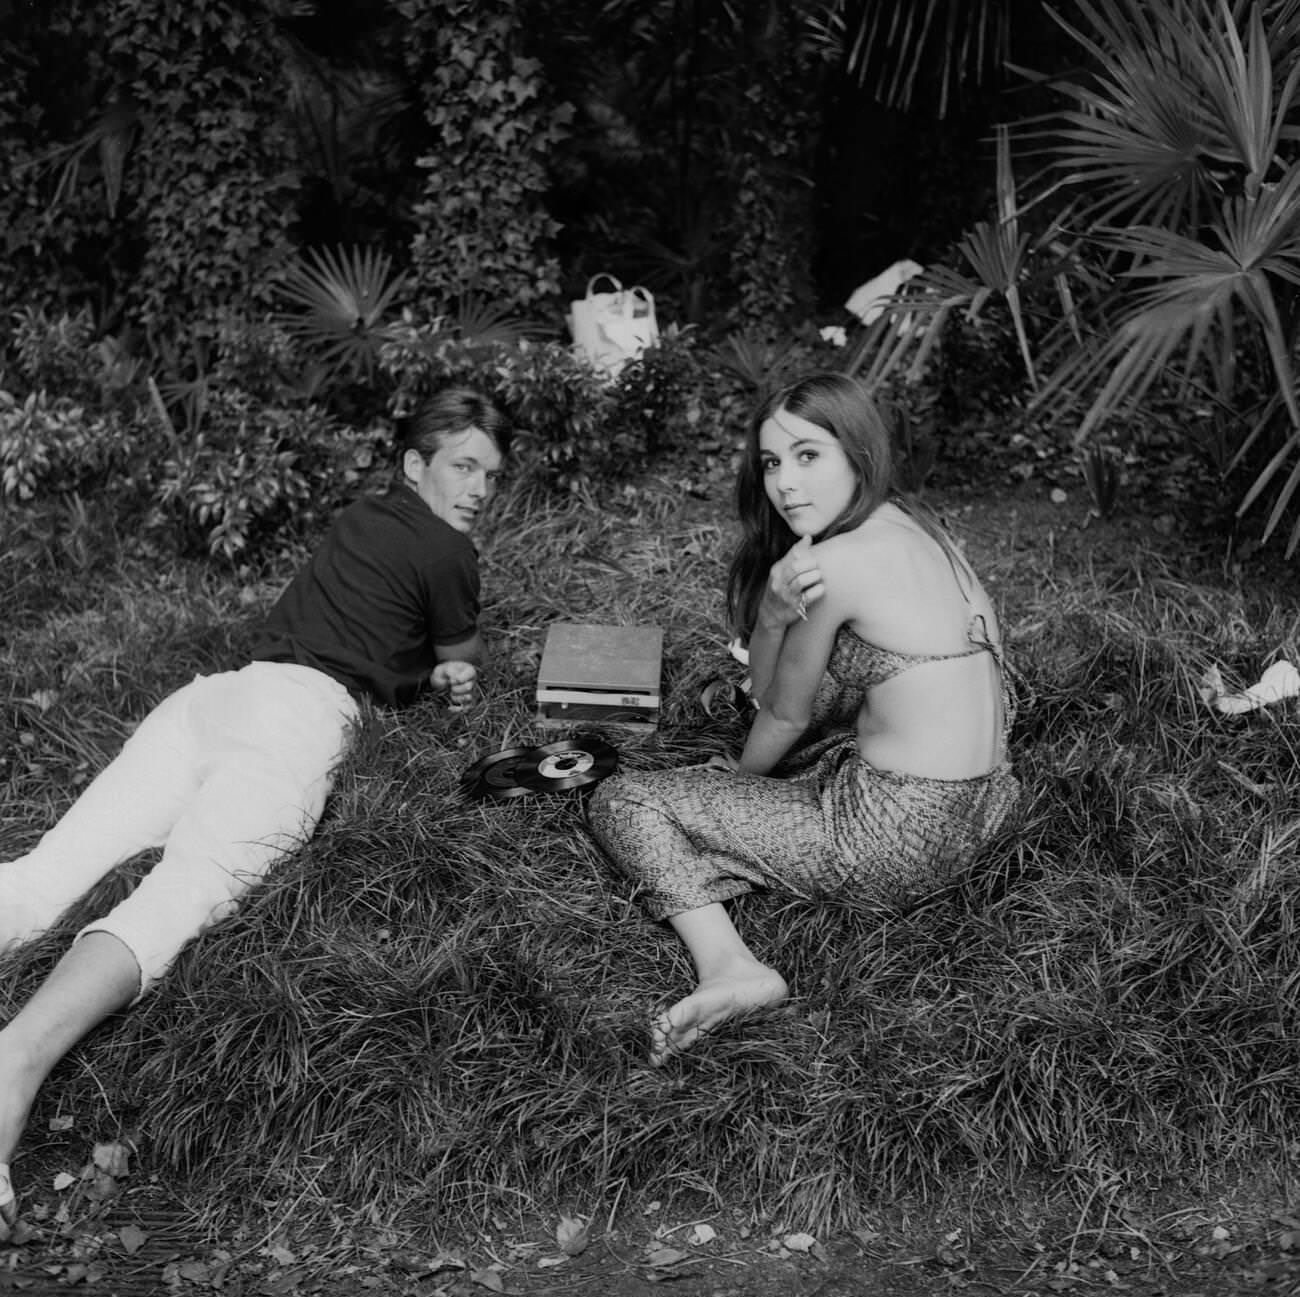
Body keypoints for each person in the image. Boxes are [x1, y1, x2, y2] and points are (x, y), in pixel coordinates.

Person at [0, 386, 511, 1239]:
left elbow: (379, 629)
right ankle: (17, 1058)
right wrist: (452, 676)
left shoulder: (363, 514)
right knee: (182, 894)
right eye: (464, 467)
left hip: (212, 699)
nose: (479, 490)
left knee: (46, 873)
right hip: (298, 718)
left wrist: (416, 670)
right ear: (415, 464)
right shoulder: (450, 551)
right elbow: (462, 661)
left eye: (491, 475)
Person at [587, 372, 1021, 1066]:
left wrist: (738, 777)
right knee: (822, 710)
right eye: (771, 462)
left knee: (624, 797)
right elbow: (794, 693)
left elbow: (777, 710)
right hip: (989, 806)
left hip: (894, 842)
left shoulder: (833, 563)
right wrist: (778, 619)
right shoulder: (920, 528)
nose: (785, 483)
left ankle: (733, 966)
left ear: (858, 453)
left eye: (808, 455)